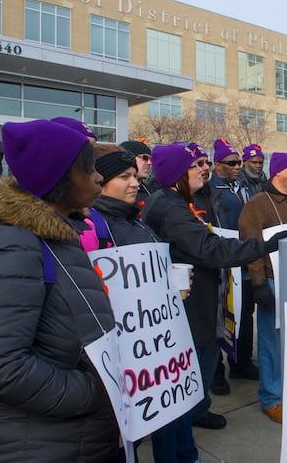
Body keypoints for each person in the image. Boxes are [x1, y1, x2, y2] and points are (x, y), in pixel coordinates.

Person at [0, 119, 119, 462]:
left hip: (72, 438)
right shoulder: (13, 244)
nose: (98, 178)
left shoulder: (59, 234)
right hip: (31, 445)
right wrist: (98, 389)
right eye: (89, 168)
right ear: (60, 177)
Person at [141, 143, 287, 432]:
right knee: (197, 362)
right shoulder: (170, 208)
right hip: (189, 302)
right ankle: (187, 421)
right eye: (194, 166)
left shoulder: (175, 202)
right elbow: (208, 248)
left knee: (209, 354)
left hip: (200, 295)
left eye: (204, 164)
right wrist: (264, 246)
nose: (204, 169)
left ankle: (198, 409)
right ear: (177, 175)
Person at [92, 146, 198, 462]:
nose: (135, 182)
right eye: (123, 177)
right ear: (101, 182)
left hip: (156, 348)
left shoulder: (135, 220)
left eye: (134, 175)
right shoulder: (95, 227)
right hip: (127, 352)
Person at [239, 152, 287, 423]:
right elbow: (251, 245)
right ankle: (271, 397)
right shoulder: (258, 204)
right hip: (272, 280)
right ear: (279, 171)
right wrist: (258, 284)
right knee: (271, 342)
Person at [204, 138, 258, 389]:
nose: (237, 167)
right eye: (231, 163)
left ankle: (242, 362)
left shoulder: (244, 186)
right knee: (220, 316)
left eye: (239, 163)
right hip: (222, 259)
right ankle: (217, 372)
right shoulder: (209, 189)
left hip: (244, 258)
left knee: (245, 313)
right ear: (217, 165)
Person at [120, 139, 155, 205]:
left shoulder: (150, 192)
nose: (149, 163)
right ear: (129, 157)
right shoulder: (115, 192)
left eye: (150, 159)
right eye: (145, 158)